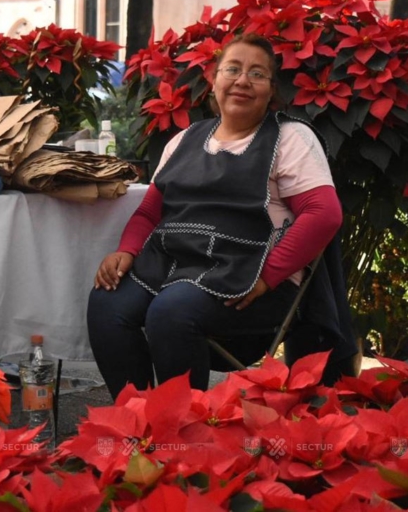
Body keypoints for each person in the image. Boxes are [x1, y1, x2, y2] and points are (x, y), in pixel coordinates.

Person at [87, 33, 345, 399]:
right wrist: (126, 252)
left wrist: (267, 277)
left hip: (249, 278)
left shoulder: (290, 138)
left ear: (272, 91)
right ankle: (138, 420)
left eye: (257, 74)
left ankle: (183, 433)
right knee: (107, 304)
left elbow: (324, 214)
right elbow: (149, 211)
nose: (242, 80)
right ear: (214, 79)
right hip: (175, 265)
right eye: (233, 69)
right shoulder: (185, 139)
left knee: (170, 312)